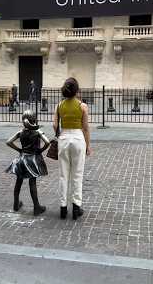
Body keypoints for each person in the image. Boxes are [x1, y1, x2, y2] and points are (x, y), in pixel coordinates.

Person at [53, 77, 91, 220]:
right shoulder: (82, 106)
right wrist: (88, 146)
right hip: (77, 138)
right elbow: (86, 128)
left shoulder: (59, 105)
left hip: (63, 138)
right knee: (77, 174)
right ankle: (76, 207)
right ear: (77, 91)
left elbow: (55, 125)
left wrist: (59, 133)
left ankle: (63, 207)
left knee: (64, 175)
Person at [6, 110, 50, 216]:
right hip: (32, 160)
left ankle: (16, 204)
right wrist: (40, 150)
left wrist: (19, 150)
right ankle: (36, 207)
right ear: (34, 119)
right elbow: (47, 142)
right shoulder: (37, 131)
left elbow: (8, 142)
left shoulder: (20, 132)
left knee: (19, 181)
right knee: (32, 182)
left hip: (21, 159)